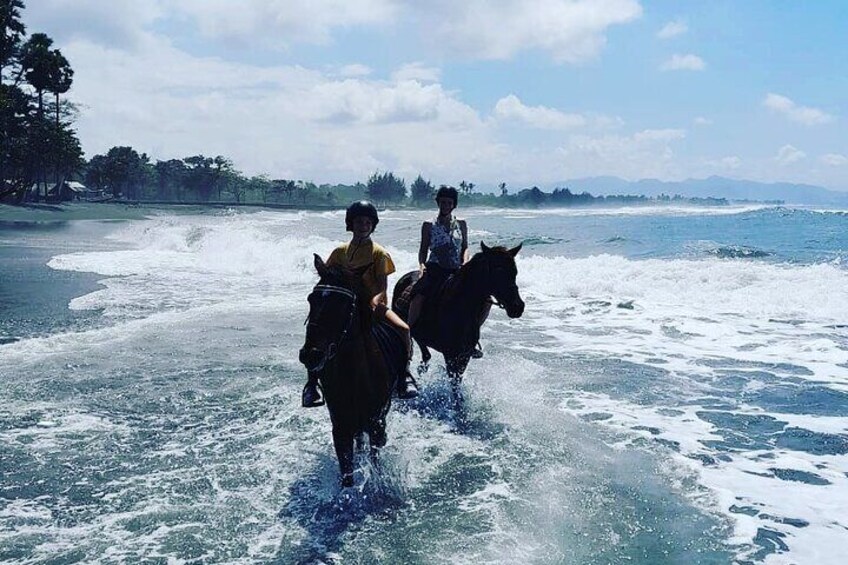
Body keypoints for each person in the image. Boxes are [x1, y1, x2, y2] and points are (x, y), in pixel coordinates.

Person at [302, 200, 419, 407]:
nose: (362, 226)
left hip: (371, 305)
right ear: (350, 224)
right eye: (358, 222)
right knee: (318, 332)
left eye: (367, 222)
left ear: (372, 225)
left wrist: (374, 302)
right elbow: (328, 277)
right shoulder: (340, 252)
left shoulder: (379, 253)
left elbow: (383, 288)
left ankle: (404, 375)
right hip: (343, 306)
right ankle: (312, 385)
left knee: (404, 328)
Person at [408, 186, 486, 358]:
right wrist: (422, 265)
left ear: (454, 205)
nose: (445, 205)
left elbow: (465, 247)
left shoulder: (461, 224)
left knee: (483, 300)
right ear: (438, 203)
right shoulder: (429, 225)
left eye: (449, 203)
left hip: (457, 269)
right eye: (443, 202)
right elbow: (423, 250)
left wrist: (465, 262)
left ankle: (471, 338)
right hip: (435, 269)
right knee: (419, 295)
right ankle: (408, 331)